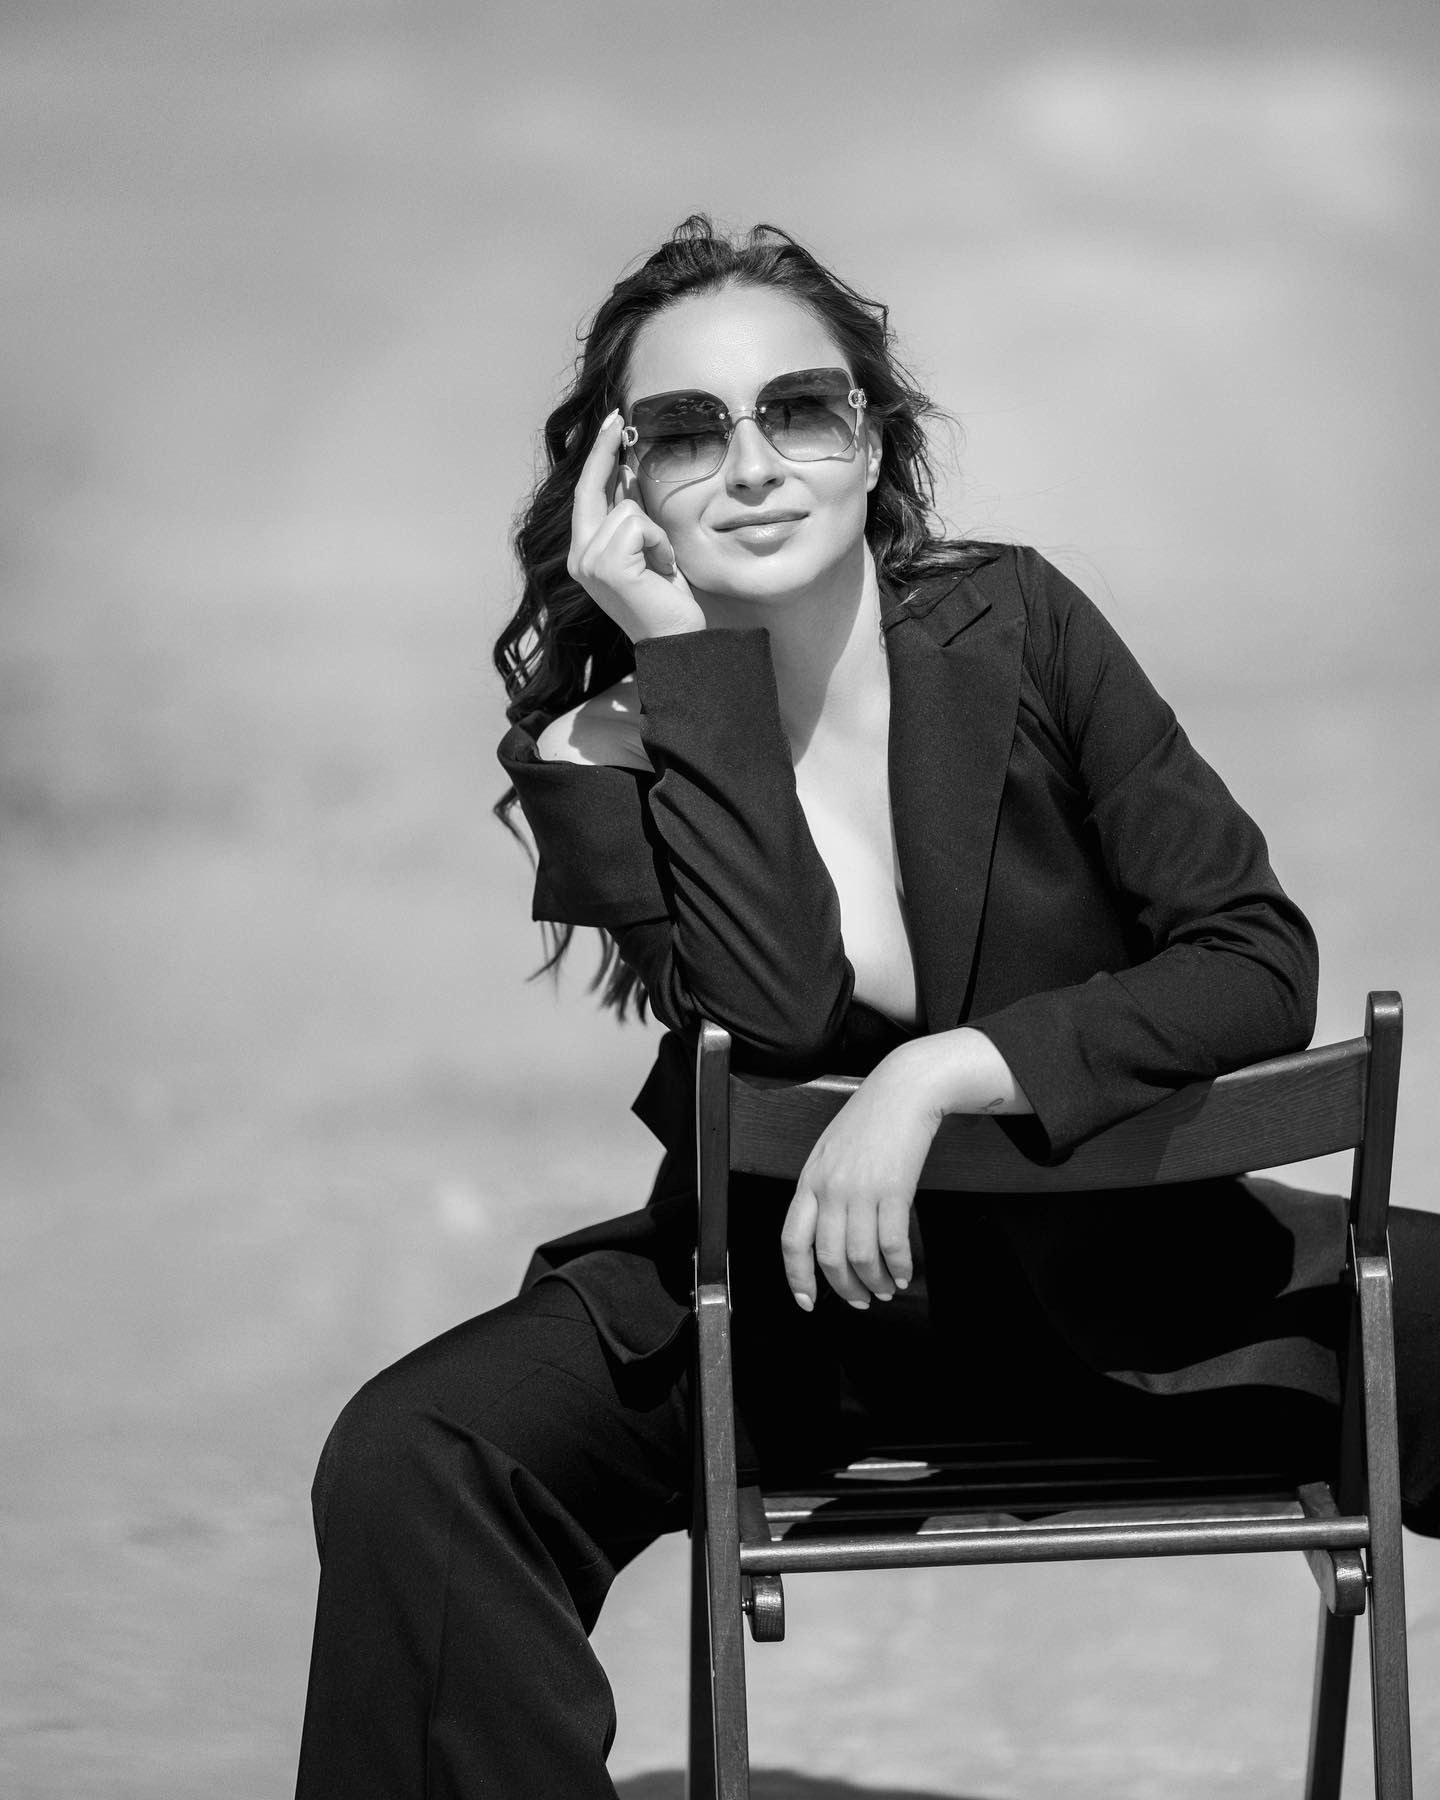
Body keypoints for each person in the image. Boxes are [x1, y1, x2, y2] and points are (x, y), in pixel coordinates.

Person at [294, 217, 1439, 1799]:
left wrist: (945, 1072)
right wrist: (690, 671)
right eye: (684, 431)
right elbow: (769, 1009)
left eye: (800, 410)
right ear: (619, 487)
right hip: (786, 1326)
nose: (752, 464)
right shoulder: (595, 753)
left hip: (1153, 1292)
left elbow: (1254, 958)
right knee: (416, 1456)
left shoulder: (1017, 625)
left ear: (874, 439)